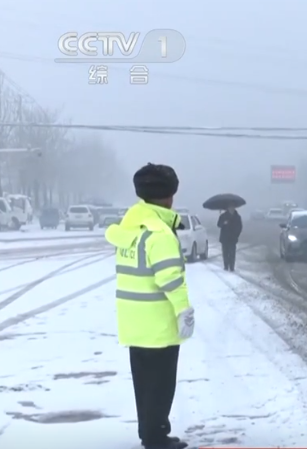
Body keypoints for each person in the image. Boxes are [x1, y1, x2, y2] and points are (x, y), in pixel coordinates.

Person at [105, 163, 194, 449]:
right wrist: (184, 311)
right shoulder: (160, 233)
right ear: (169, 197)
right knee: (161, 384)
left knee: (143, 385)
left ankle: (150, 433)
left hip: (133, 322)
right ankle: (156, 438)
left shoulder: (130, 228)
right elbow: (170, 279)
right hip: (158, 324)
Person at [217, 205, 243, 271]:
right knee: (225, 252)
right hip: (224, 238)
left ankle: (232, 267)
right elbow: (218, 224)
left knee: (232, 253)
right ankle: (226, 266)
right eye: (230, 208)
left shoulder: (237, 217)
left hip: (233, 238)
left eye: (233, 208)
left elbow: (240, 227)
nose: (231, 209)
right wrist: (223, 223)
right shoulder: (223, 216)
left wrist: (236, 234)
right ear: (228, 208)